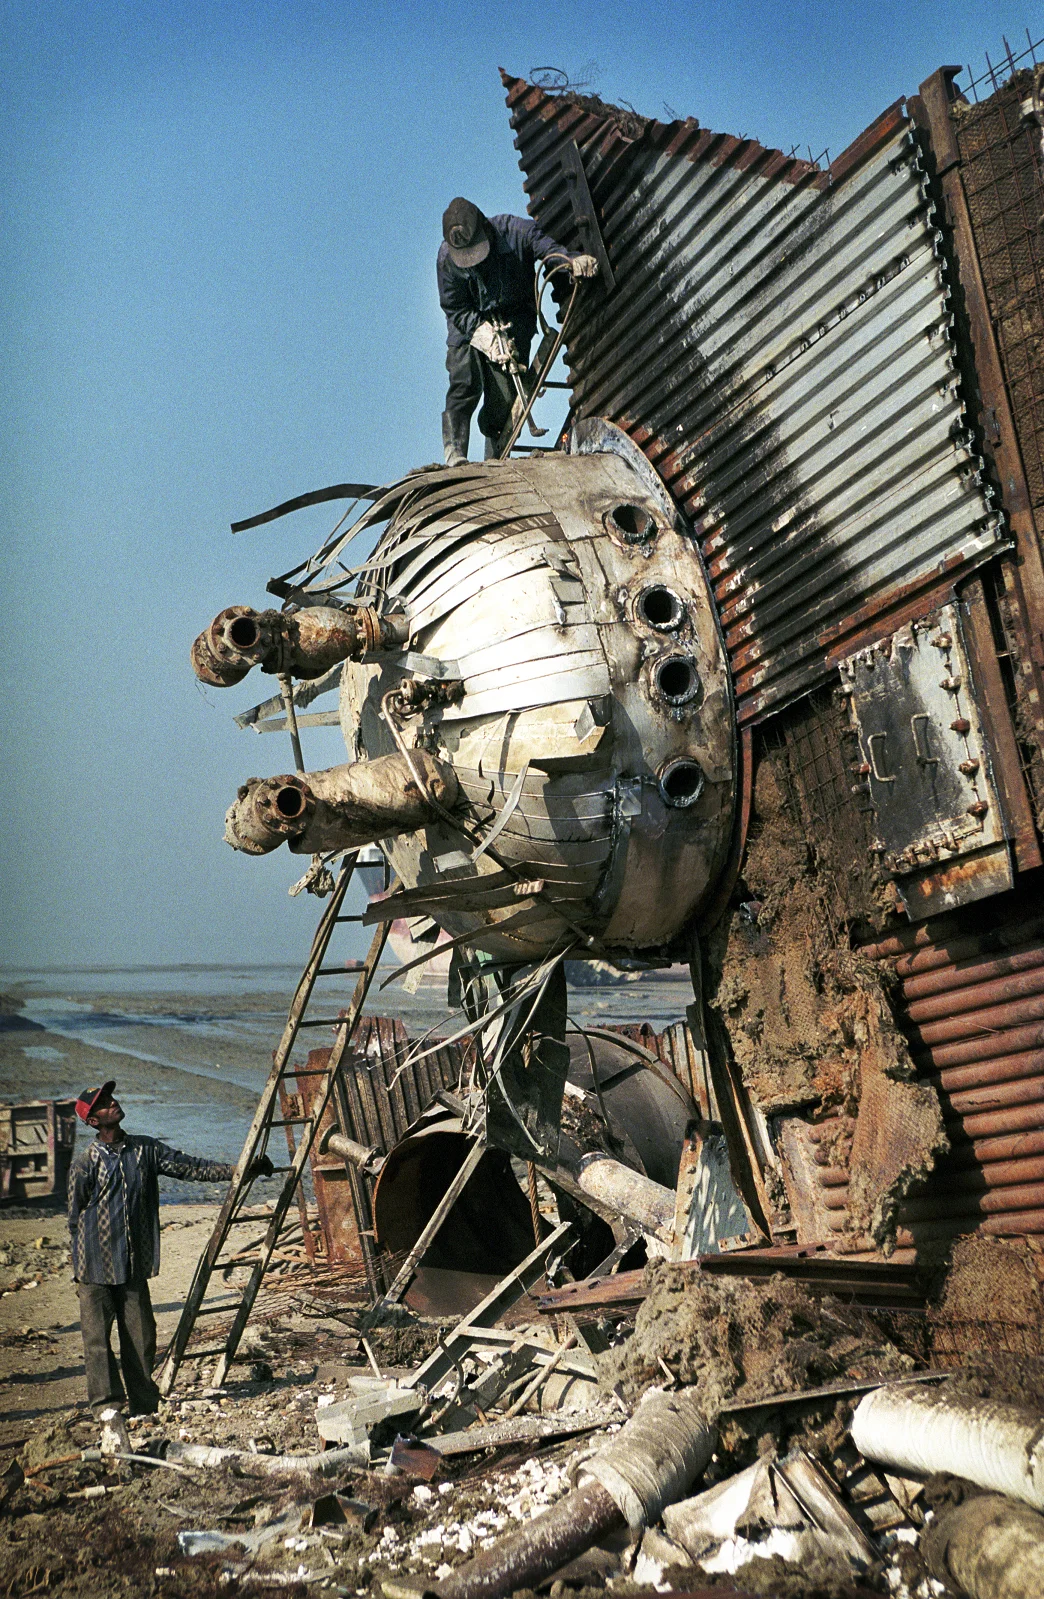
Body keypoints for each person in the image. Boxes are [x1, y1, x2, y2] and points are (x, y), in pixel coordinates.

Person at [67, 1080, 272, 1431]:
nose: (114, 1104)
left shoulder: (144, 1150)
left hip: (132, 1266)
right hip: (95, 1267)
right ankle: (107, 1407)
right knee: (98, 1342)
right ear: (93, 1121)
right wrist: (80, 1267)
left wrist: (243, 1169)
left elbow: (191, 1168)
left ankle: (144, 1404)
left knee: (142, 1335)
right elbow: (75, 1216)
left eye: (112, 1098)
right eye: (104, 1104)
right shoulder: (86, 1163)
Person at [438, 198, 599, 465]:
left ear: (485, 229)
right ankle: (455, 451)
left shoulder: (516, 231)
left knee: (504, 395)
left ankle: (495, 452)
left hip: (515, 315)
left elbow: (547, 248)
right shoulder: (447, 260)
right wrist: (483, 334)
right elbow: (454, 308)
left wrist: (572, 261)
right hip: (469, 321)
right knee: (464, 377)